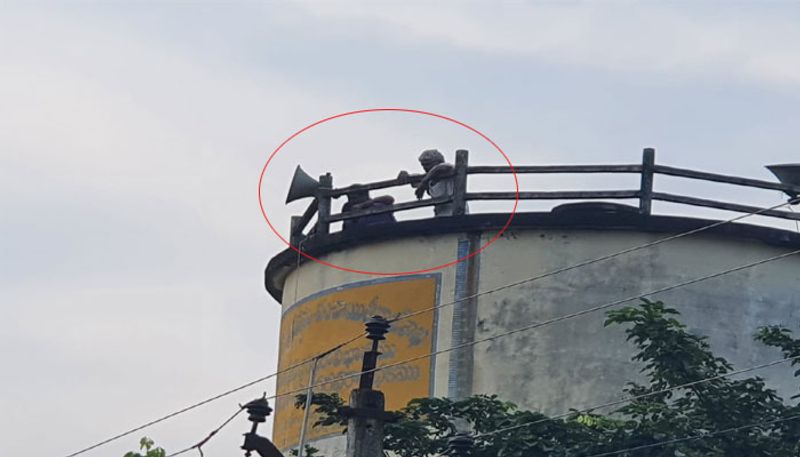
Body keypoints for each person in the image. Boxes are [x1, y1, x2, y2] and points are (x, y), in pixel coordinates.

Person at [398, 149, 465, 216]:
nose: (425, 168)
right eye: (423, 165)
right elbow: (414, 180)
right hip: (440, 216)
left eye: (428, 164)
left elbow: (442, 167)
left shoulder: (448, 171)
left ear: (438, 161)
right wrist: (404, 174)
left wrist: (424, 182)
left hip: (455, 213)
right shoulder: (429, 178)